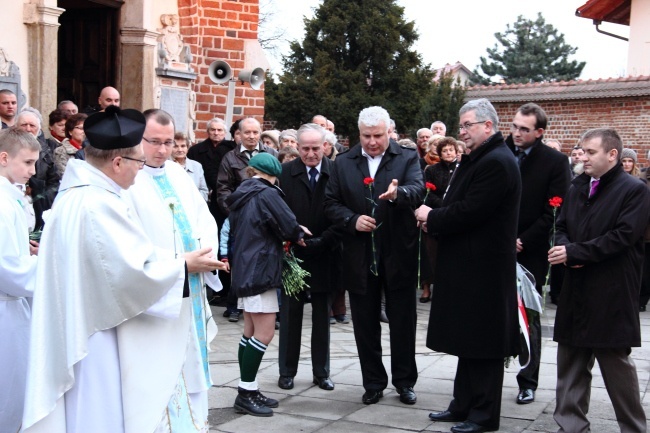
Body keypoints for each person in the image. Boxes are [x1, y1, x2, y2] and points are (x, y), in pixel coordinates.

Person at [21, 106, 223, 433]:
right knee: (98, 414)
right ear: (118, 163)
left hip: (79, 325)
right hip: (95, 336)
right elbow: (132, 272)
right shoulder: (98, 205)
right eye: (138, 161)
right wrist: (184, 264)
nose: (141, 168)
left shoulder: (77, 197)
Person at [415, 98, 520, 433]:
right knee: (466, 340)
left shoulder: (497, 162)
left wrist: (432, 217)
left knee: (485, 345)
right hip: (467, 265)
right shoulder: (477, 158)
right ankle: (462, 405)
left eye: (467, 125)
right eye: (460, 126)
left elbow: (471, 211)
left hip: (485, 268)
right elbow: (455, 201)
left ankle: (483, 415)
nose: (461, 132)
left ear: (487, 126)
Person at [122, 108, 224, 431]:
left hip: (190, 291)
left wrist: (205, 255)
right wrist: (179, 263)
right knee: (161, 372)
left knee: (192, 364)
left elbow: (205, 221)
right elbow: (131, 242)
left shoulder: (180, 175)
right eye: (154, 142)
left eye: (169, 142)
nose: (163, 150)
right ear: (139, 139)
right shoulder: (129, 182)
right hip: (160, 298)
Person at [549, 128, 649, 433]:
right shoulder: (578, 186)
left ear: (612, 155)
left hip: (611, 289)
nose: (583, 156)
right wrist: (563, 245)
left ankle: (633, 428)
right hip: (576, 288)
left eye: (590, 152)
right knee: (571, 361)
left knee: (615, 363)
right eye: (582, 150)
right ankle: (571, 425)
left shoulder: (634, 190)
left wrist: (573, 252)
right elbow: (561, 225)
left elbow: (622, 237)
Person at [324, 106, 423, 406]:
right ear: (359, 134)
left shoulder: (406, 158)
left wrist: (399, 194)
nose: (372, 142)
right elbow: (330, 203)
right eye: (366, 136)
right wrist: (352, 220)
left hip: (397, 253)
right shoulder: (343, 162)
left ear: (389, 132)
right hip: (359, 254)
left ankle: (404, 382)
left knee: (403, 321)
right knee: (365, 323)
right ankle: (373, 382)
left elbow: (418, 191)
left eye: (378, 135)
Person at [227, 153, 308, 417]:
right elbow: (287, 224)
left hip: (245, 267)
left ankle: (248, 388)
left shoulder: (244, 191)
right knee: (264, 333)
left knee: (249, 331)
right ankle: (245, 391)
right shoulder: (268, 193)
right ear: (274, 175)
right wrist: (298, 232)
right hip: (260, 269)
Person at [505, 103, 571, 406]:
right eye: (515, 126)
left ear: (539, 132)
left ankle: (527, 379)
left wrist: (522, 240)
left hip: (530, 248)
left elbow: (553, 211)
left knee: (528, 315)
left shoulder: (554, 162)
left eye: (524, 129)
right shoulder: (500, 151)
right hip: (494, 246)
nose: (517, 133)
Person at [277, 123, 341, 392]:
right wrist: (292, 235)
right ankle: (287, 371)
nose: (311, 154)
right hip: (294, 253)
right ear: (297, 147)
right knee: (291, 316)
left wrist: (323, 240)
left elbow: (341, 210)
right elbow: (276, 209)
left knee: (321, 318)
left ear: (325, 147)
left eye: (316, 148)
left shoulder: (335, 172)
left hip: (326, 251)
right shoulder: (285, 173)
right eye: (306, 149)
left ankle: (321, 372)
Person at [217, 117, 278, 322]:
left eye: (255, 132)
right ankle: (235, 306)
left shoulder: (271, 154)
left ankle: (267, 309)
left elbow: (279, 184)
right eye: (247, 133)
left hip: (266, 220)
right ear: (239, 134)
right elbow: (223, 189)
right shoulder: (230, 158)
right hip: (241, 220)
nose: (252, 136)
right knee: (239, 261)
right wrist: (236, 213)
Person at [0, 128, 40, 433]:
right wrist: (47, 265)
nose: (33, 170)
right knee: (9, 389)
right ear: (4, 158)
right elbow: (7, 268)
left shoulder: (9, 196)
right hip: (6, 309)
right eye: (27, 163)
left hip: (12, 306)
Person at [15, 110, 61, 230]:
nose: (28, 129)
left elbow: (55, 182)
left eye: (32, 125)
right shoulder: (7, 149)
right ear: (15, 128)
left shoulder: (47, 151)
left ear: (39, 129)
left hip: (40, 205)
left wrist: (39, 195)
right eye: (24, 125)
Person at [187, 117, 236, 225]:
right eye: (213, 130)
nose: (216, 133)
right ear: (208, 131)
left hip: (225, 196)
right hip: (202, 195)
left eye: (219, 130)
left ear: (225, 132)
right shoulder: (195, 150)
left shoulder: (232, 150)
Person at [171, 131, 209, 201]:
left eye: (183, 146)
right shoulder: (164, 166)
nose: (180, 150)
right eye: (175, 146)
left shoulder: (197, 166)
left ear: (187, 148)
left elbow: (204, 191)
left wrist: (192, 201)